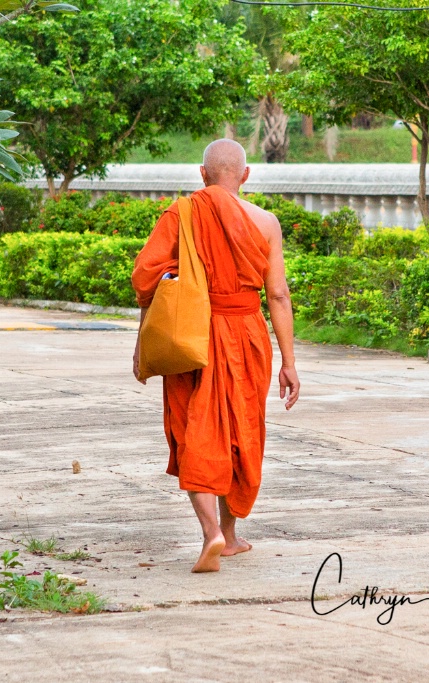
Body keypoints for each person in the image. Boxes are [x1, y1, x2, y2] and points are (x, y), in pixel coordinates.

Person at [131, 139, 300, 573]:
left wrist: (142, 341)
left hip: (191, 334)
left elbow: (147, 278)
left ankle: (212, 534)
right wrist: (289, 362)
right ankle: (231, 535)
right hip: (247, 335)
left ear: (202, 175)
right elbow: (277, 294)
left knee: (195, 431)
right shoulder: (265, 222)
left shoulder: (182, 214)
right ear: (245, 176)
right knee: (239, 430)